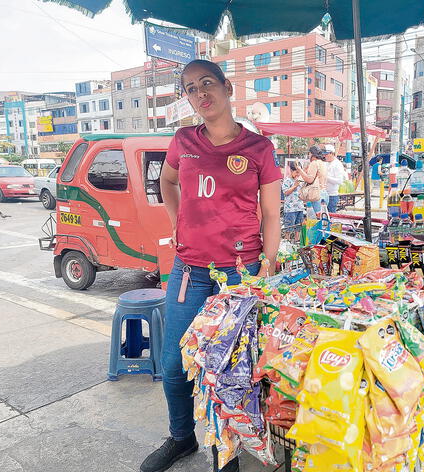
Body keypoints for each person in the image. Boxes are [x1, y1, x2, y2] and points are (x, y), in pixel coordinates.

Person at [140, 59, 282, 472]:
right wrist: (175, 218)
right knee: (172, 365)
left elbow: (271, 213)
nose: (201, 94)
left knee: (231, 369)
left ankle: (227, 452)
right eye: (190, 88)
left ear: (227, 87)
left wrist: (267, 266)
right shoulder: (183, 140)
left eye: (207, 84)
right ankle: (182, 438)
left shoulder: (259, 149)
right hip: (189, 271)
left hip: (240, 273)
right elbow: (165, 181)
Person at [297, 145, 327, 213]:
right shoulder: (323, 163)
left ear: (312, 154)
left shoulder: (314, 163)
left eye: (309, 153)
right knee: (323, 219)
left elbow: (309, 180)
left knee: (315, 221)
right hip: (324, 193)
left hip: (316, 194)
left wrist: (300, 170)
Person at [282, 162, 305, 240]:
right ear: (291, 170)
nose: (298, 174)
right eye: (296, 172)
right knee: (288, 228)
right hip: (290, 209)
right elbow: (285, 192)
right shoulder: (287, 180)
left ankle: (297, 241)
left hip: (300, 207)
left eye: (299, 172)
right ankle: (286, 242)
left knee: (298, 228)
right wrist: (294, 186)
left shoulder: (299, 180)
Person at [323, 144, 348, 213]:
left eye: (326, 154)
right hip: (324, 193)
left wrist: (326, 177)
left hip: (332, 195)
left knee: (331, 216)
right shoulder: (326, 163)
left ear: (331, 153)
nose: (324, 156)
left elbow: (339, 181)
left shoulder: (337, 164)